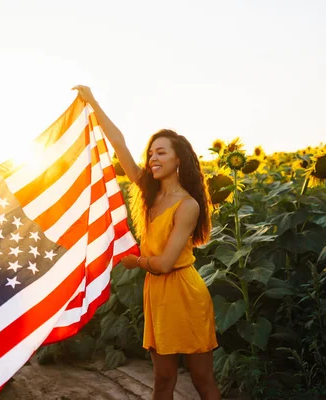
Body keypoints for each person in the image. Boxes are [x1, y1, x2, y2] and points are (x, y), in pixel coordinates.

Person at [73, 85, 220, 400]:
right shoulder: (148, 192)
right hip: (157, 294)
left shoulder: (188, 205)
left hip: (184, 292)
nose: (153, 158)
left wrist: (136, 262)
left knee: (202, 381)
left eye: (161, 152)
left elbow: (165, 263)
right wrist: (93, 102)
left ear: (178, 158)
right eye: (151, 153)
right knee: (162, 381)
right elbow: (119, 144)